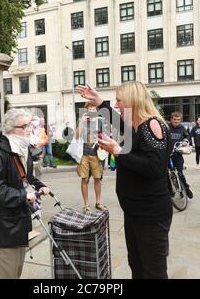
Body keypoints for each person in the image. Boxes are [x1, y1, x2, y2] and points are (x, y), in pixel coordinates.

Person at [77, 81, 173, 279]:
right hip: (134, 211)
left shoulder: (152, 125)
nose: (117, 105)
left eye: (119, 100)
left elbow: (154, 168)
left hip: (150, 214)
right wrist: (99, 101)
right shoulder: (133, 125)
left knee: (153, 271)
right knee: (136, 265)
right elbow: (117, 122)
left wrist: (118, 151)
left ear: (133, 101)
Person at [0, 108, 50, 279]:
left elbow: (26, 178)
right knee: (7, 273)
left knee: (16, 271)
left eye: (30, 125)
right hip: (5, 227)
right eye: (25, 126)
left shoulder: (22, 147)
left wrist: (39, 186)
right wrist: (23, 196)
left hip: (19, 221)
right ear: (10, 128)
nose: (29, 129)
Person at [75, 102, 106, 213]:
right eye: (89, 109)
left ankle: (98, 202)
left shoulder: (100, 121)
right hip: (83, 154)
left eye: (94, 110)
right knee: (85, 179)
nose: (92, 112)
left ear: (97, 111)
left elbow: (105, 136)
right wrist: (82, 122)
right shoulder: (81, 120)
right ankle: (86, 204)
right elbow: (76, 136)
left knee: (97, 178)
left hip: (97, 154)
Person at [168, 112, 193, 199]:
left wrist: (186, 141)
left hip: (177, 154)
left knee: (179, 173)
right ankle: (170, 190)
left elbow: (187, 136)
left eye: (178, 119)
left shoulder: (182, 128)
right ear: (171, 119)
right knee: (167, 174)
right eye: (174, 119)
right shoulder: (167, 127)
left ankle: (186, 188)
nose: (176, 121)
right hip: (167, 155)